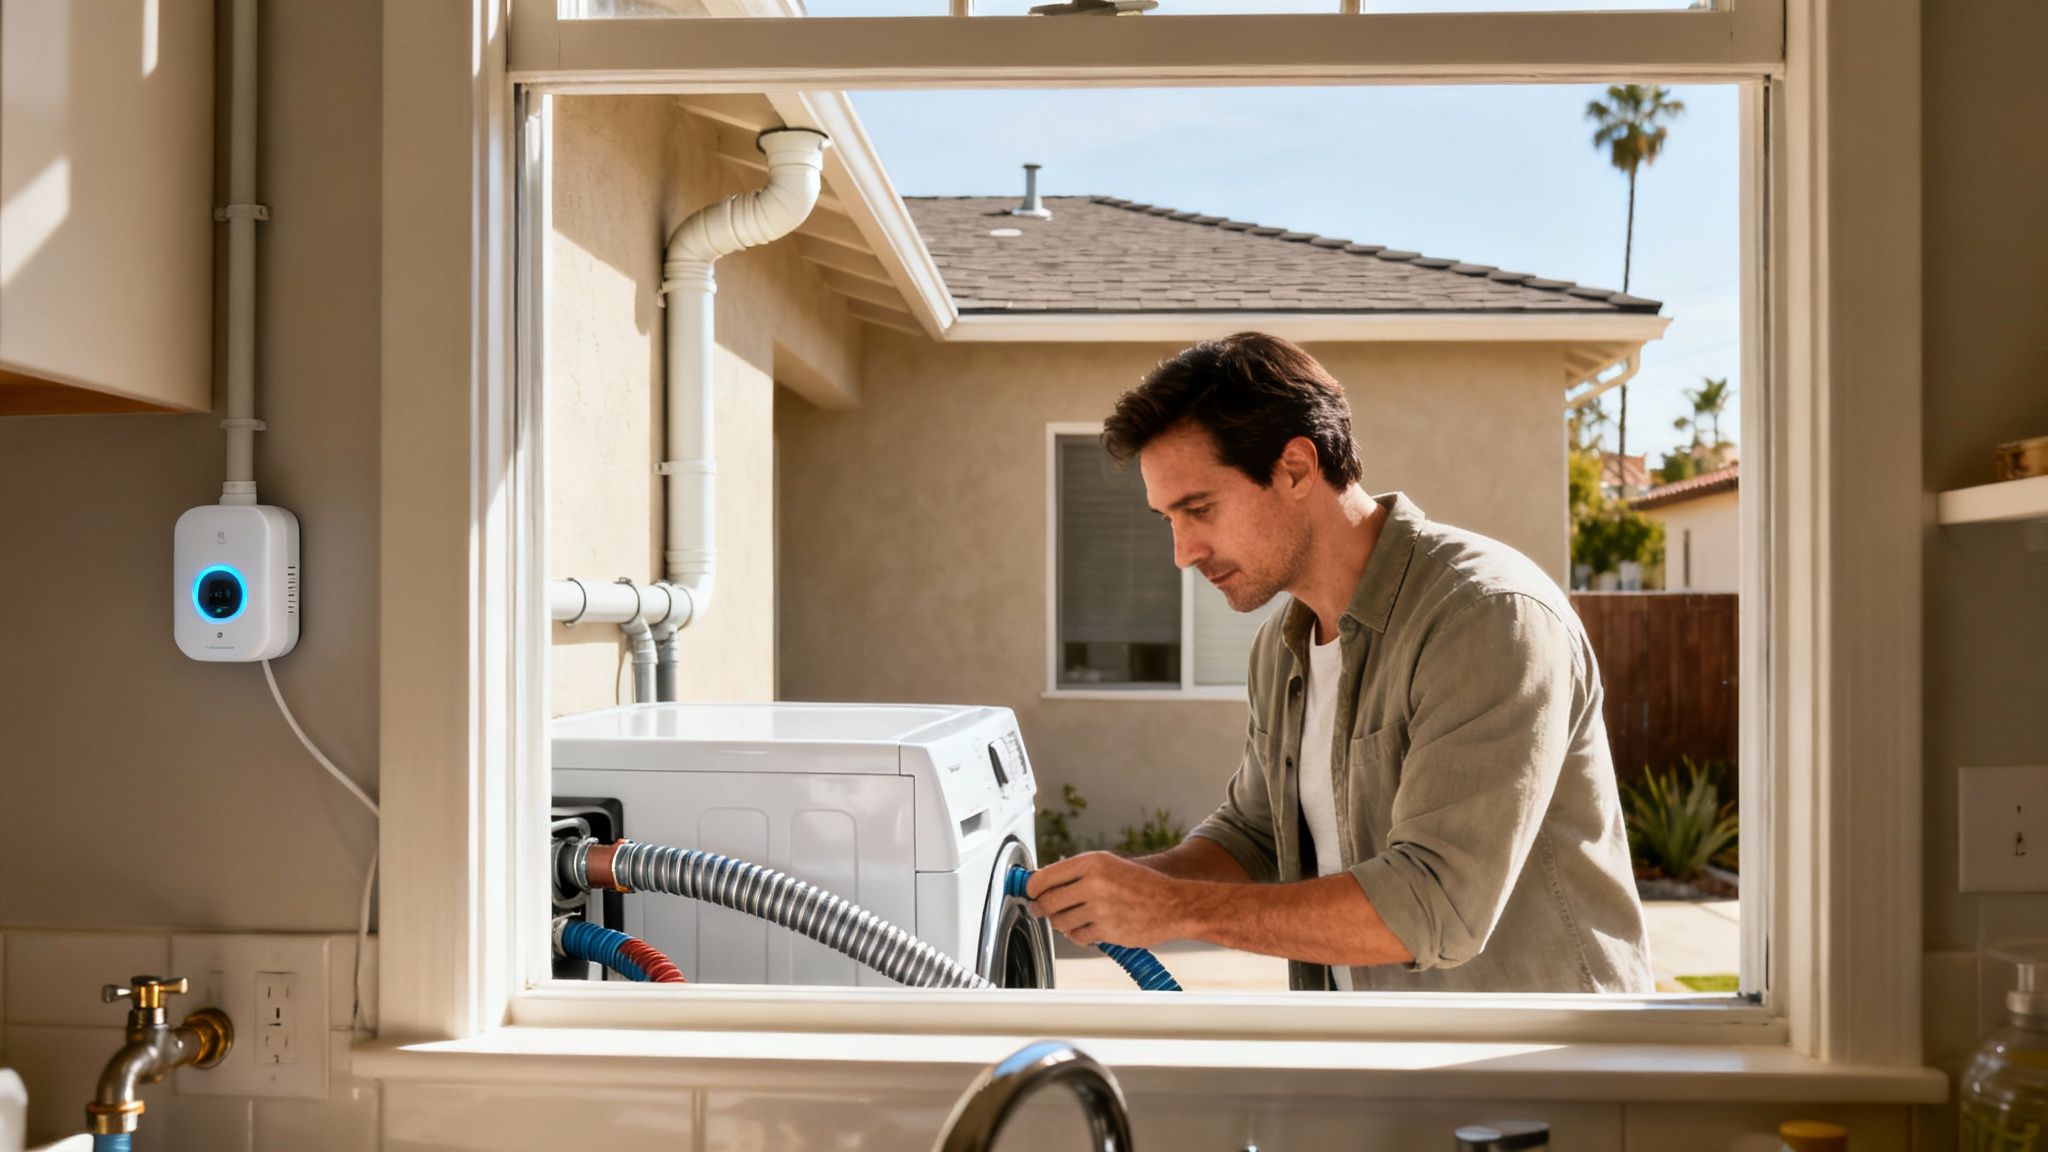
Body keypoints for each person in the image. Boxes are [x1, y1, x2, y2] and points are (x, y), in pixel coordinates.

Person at [1025, 332, 1652, 993]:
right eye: (1167, 520)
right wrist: (1122, 890)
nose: (1182, 552)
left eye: (1199, 509)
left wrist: (1171, 909)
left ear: (1296, 467)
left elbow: (1436, 906)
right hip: (1384, 1064)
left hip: (1547, 1075)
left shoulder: (1486, 615)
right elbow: (1254, 836)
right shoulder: (1283, 646)